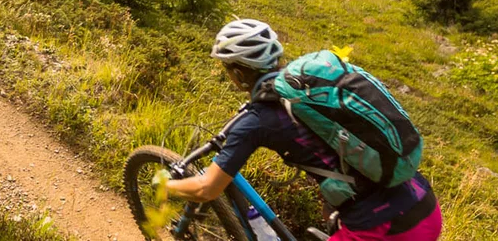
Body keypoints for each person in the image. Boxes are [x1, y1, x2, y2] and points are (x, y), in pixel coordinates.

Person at [164, 19, 443, 241]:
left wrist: (164, 186)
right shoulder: (308, 86)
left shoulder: (256, 121)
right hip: (424, 205)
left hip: (385, 228)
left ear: (237, 74)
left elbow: (206, 189)